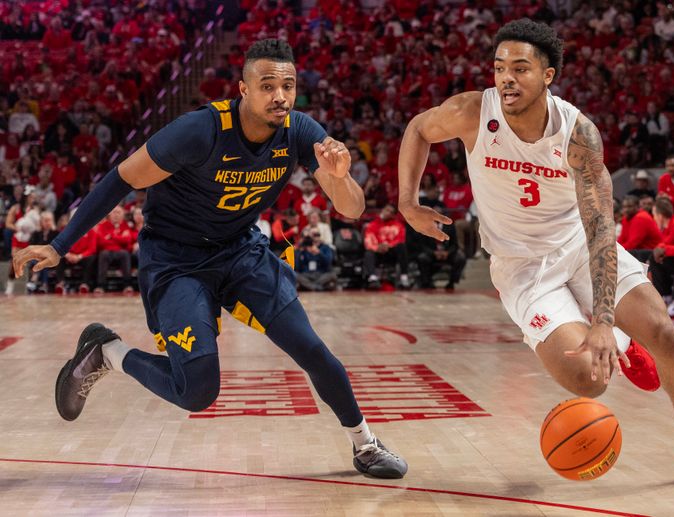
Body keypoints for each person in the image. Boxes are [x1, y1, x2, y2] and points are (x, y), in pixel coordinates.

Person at [13, 39, 407, 479]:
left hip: (240, 251)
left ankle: (365, 444)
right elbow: (120, 179)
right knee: (197, 390)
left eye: (288, 86)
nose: (280, 95)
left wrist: (338, 178)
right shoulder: (198, 130)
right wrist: (59, 244)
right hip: (176, 260)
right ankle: (108, 351)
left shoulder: (300, 132)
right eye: (267, 85)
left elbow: (351, 208)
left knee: (311, 348)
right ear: (243, 89)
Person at [398, 18, 674, 489]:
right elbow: (417, 128)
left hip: (579, 247)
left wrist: (603, 321)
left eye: (520, 68)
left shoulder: (578, 133)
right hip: (523, 269)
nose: (506, 78)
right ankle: (623, 346)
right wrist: (408, 203)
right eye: (499, 68)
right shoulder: (474, 111)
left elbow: (599, 231)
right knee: (588, 379)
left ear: (548, 75)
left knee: (663, 332)